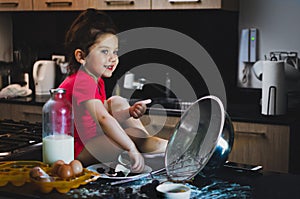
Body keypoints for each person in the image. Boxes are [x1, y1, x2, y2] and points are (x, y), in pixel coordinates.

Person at [59, 9, 168, 172]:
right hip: (75, 149)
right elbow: (103, 119)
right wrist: (130, 147)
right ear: (81, 56)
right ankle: (161, 149)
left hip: (89, 140)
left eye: (115, 51)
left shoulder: (96, 80)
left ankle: (152, 148)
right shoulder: (82, 81)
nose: (113, 58)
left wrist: (128, 112)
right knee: (128, 137)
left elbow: (104, 116)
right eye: (104, 51)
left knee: (116, 102)